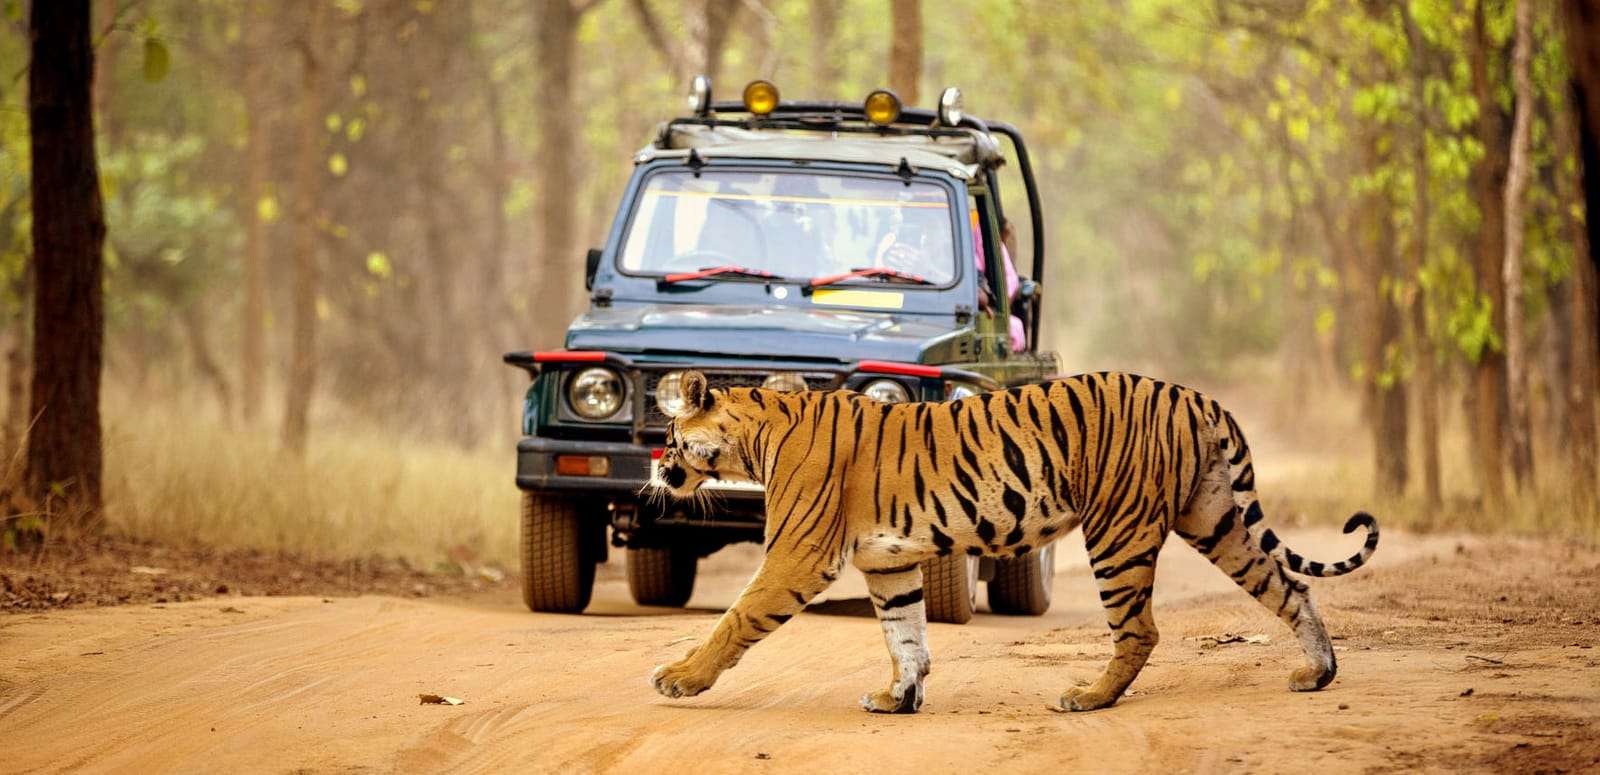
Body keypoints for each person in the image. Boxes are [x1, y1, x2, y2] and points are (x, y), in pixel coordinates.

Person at [973, 213, 1026, 352]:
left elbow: (1009, 280)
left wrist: (994, 303)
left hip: (977, 309)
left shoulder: (976, 226)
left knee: (1014, 331)